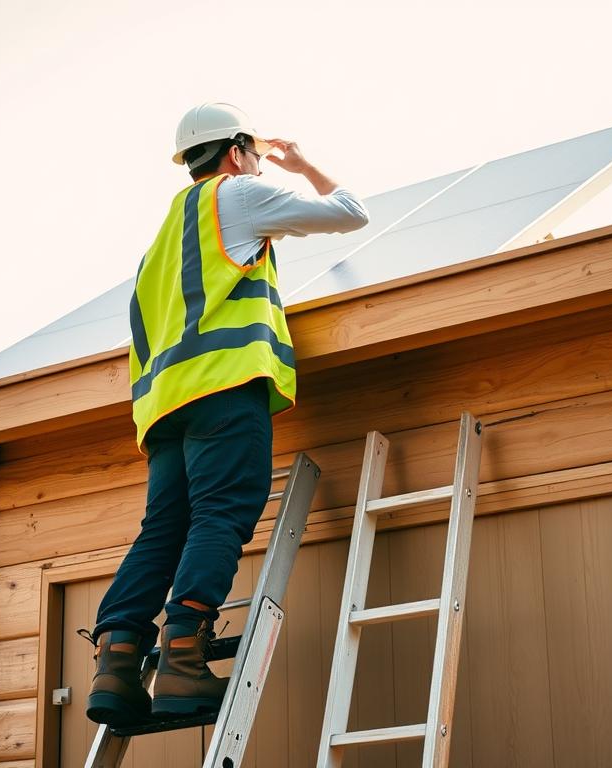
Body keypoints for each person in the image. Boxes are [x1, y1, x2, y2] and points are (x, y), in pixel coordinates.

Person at [83, 103, 369, 725]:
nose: (262, 166)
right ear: (236, 152)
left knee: (163, 531)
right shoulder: (235, 194)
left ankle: (116, 661)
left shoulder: (160, 242)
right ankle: (183, 660)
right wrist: (303, 165)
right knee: (221, 514)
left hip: (164, 411)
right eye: (258, 156)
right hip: (223, 389)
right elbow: (353, 213)